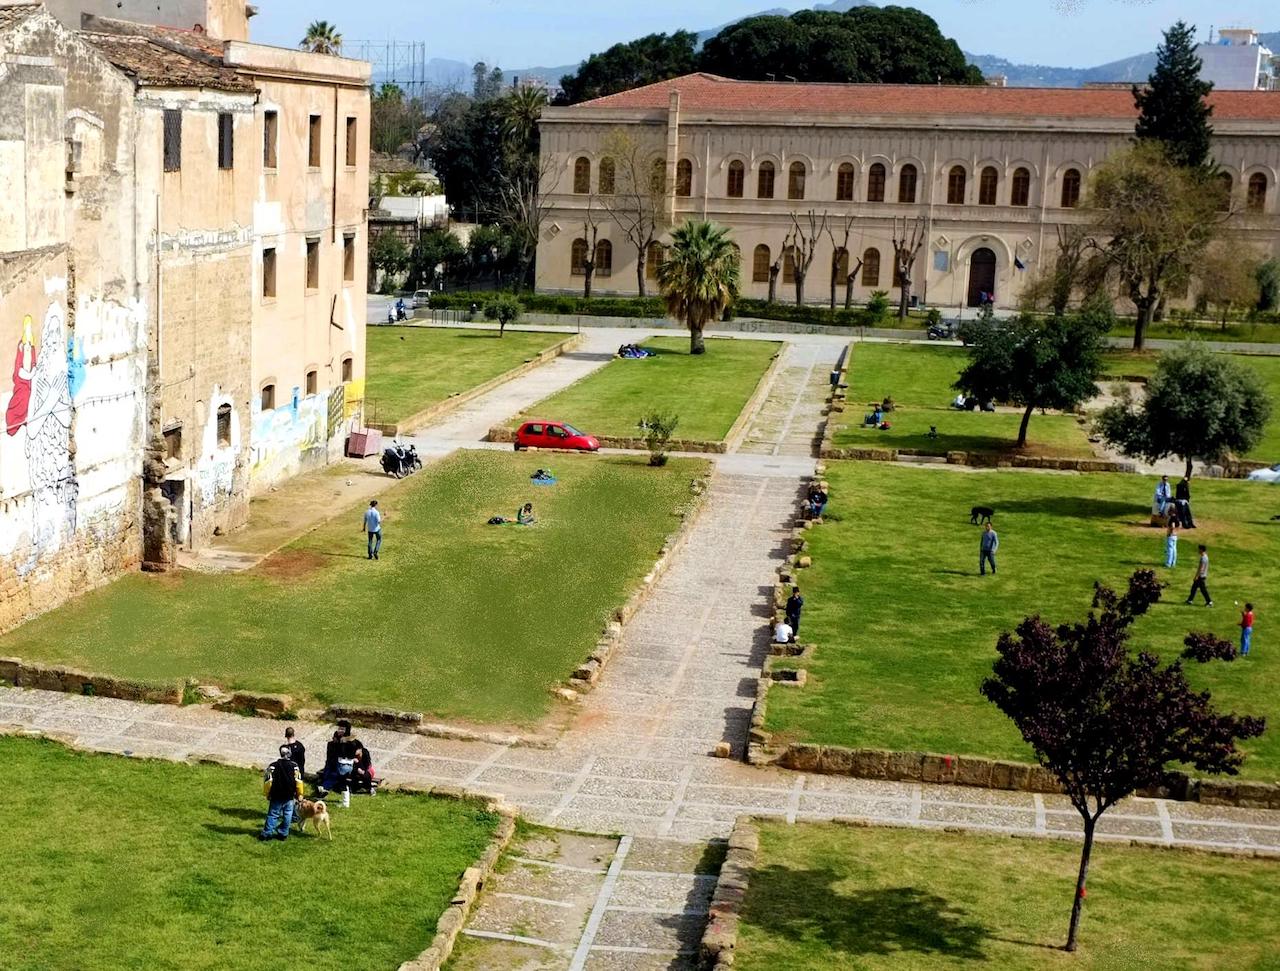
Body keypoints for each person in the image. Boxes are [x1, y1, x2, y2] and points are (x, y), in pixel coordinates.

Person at [260, 744, 303, 841]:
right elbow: (299, 781)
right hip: (289, 795)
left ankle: (267, 834)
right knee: (288, 814)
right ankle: (283, 833)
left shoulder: (272, 766)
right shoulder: (294, 766)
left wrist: (267, 793)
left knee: (273, 814)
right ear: (289, 753)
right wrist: (300, 793)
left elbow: (268, 781)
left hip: (276, 794)